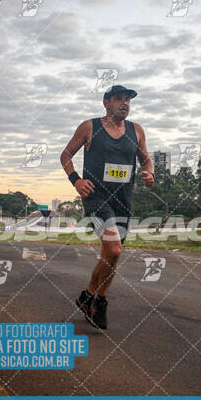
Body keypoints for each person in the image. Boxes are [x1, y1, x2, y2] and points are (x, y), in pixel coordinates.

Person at [60, 84, 154, 329]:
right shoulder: (90, 127)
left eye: (128, 100)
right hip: (96, 197)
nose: (125, 103)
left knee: (108, 255)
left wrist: (148, 173)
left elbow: (146, 160)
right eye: (119, 99)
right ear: (106, 103)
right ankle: (100, 301)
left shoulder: (137, 131)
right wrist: (76, 180)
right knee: (114, 251)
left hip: (122, 200)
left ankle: (88, 296)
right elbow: (66, 155)